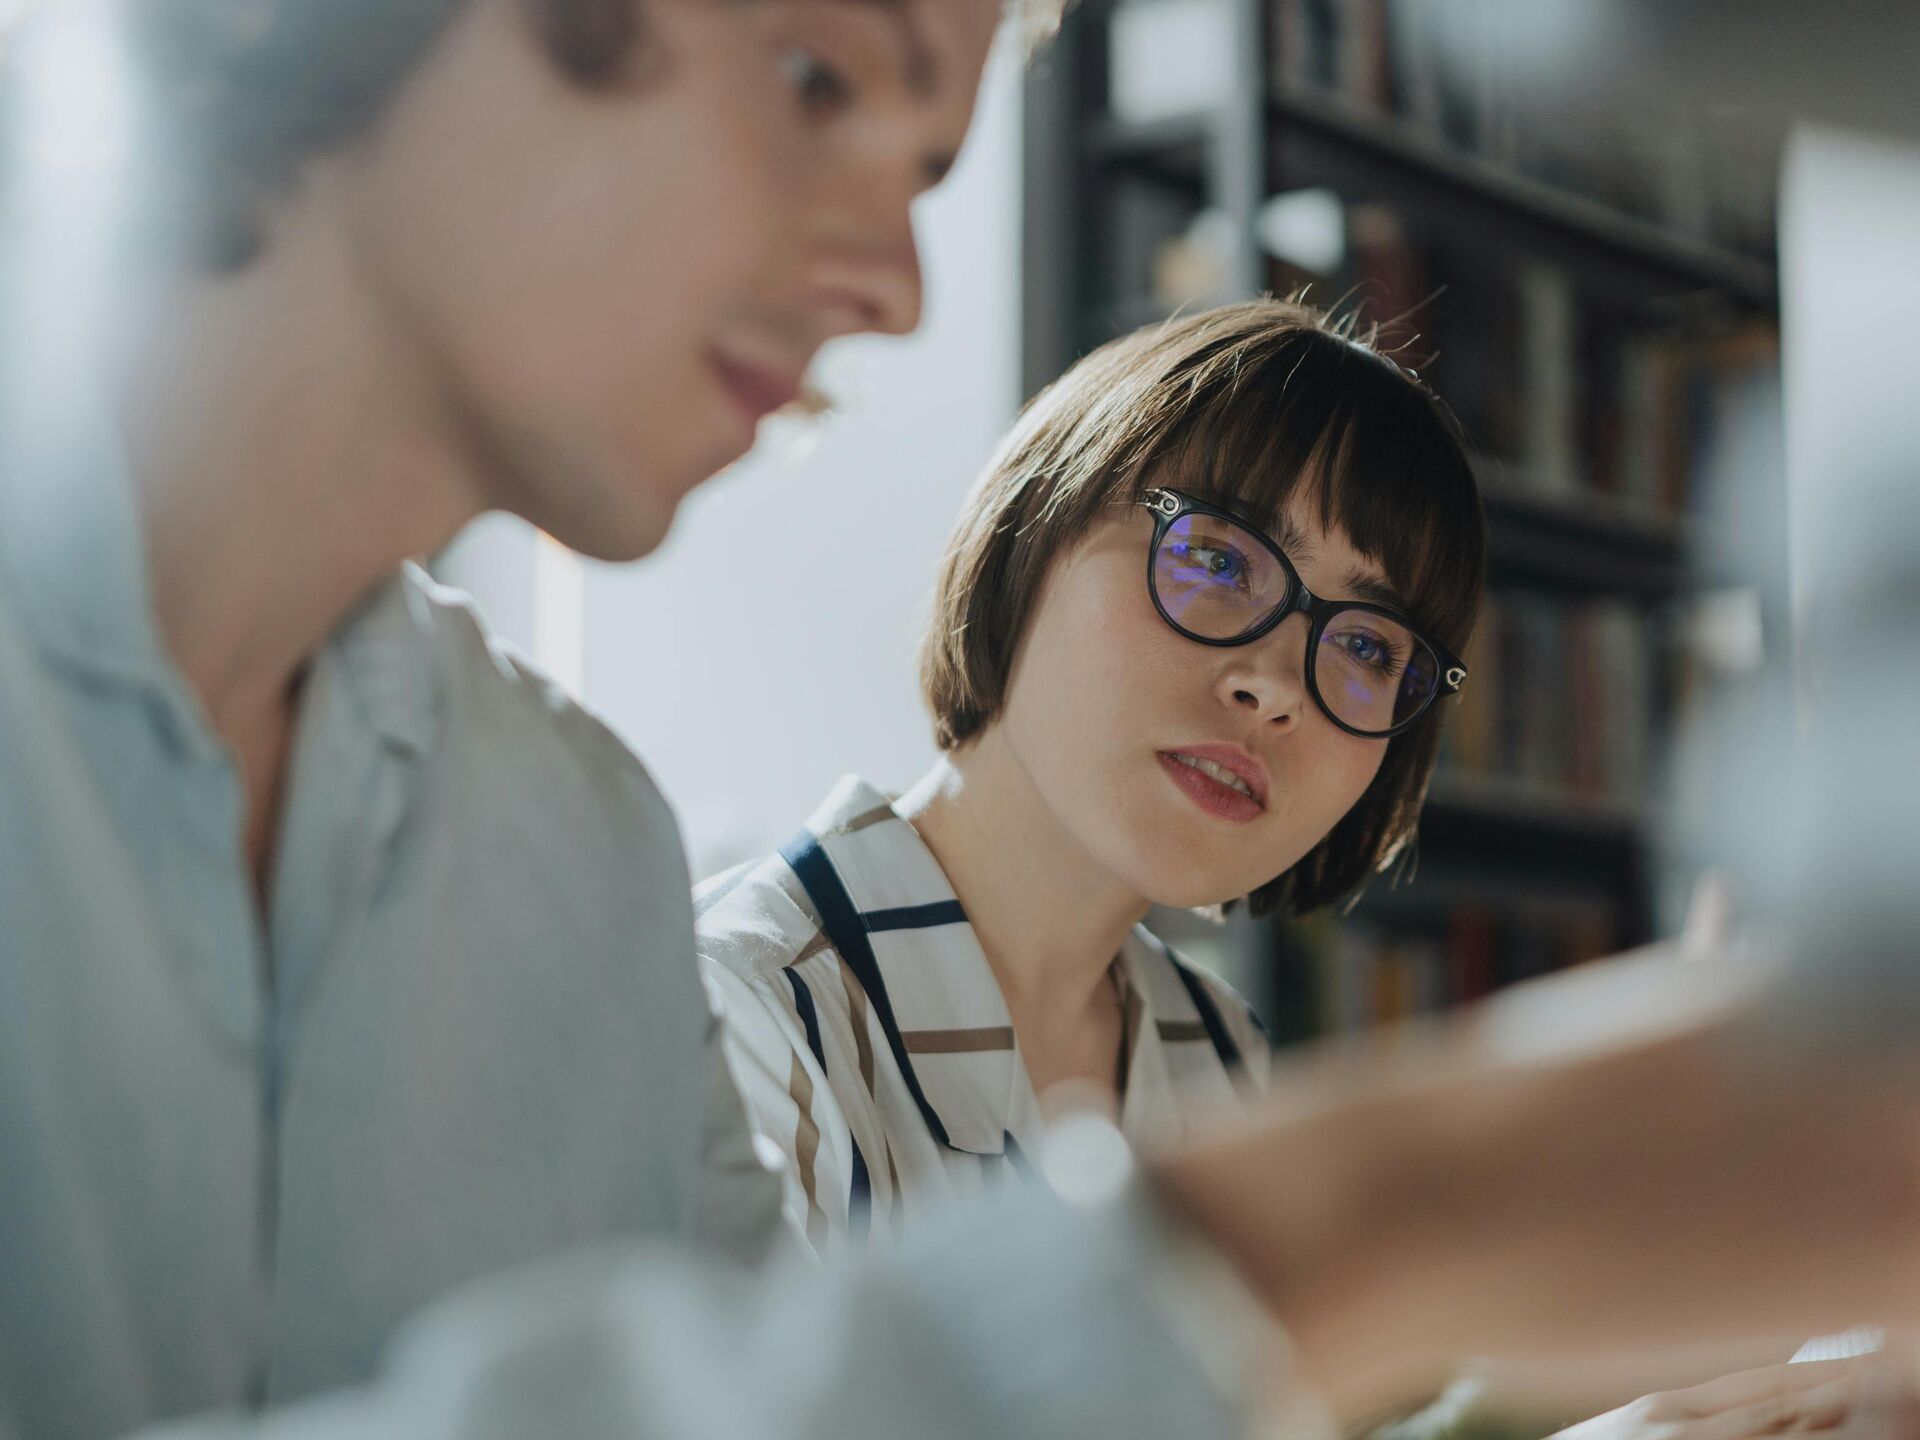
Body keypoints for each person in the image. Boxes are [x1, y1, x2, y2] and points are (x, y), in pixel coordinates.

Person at [7, 3, 1920, 1440]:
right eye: (824, 78)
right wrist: (1365, 1215)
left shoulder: (569, 848)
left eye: (1368, 652)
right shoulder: (746, 978)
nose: (903, 285)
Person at [697, 299, 1481, 1256]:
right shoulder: (734, 1019)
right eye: (1215, 558)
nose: (1275, 687)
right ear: (1034, 527)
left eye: (1365, 643)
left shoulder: (1215, 1051)